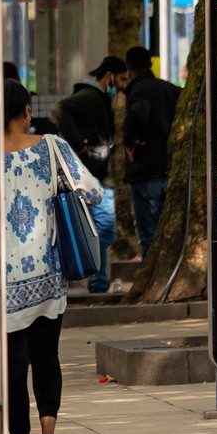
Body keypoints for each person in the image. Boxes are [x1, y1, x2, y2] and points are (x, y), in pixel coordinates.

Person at [1, 78, 101, 434]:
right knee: (47, 359)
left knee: (13, 370)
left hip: (4, 285)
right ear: (27, 110)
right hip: (48, 273)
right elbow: (92, 193)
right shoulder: (52, 146)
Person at [53, 56, 126, 293]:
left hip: (94, 174)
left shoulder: (97, 98)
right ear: (109, 76)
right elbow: (60, 109)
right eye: (121, 79)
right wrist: (78, 144)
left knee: (99, 228)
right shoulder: (91, 97)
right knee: (105, 228)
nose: (122, 85)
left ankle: (97, 280)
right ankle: (98, 281)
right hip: (94, 176)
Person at [120, 44, 179, 258]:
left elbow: (137, 116)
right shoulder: (168, 89)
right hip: (168, 169)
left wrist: (130, 141)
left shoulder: (140, 90)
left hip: (145, 170)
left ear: (129, 69)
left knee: (148, 234)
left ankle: (151, 270)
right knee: (166, 232)